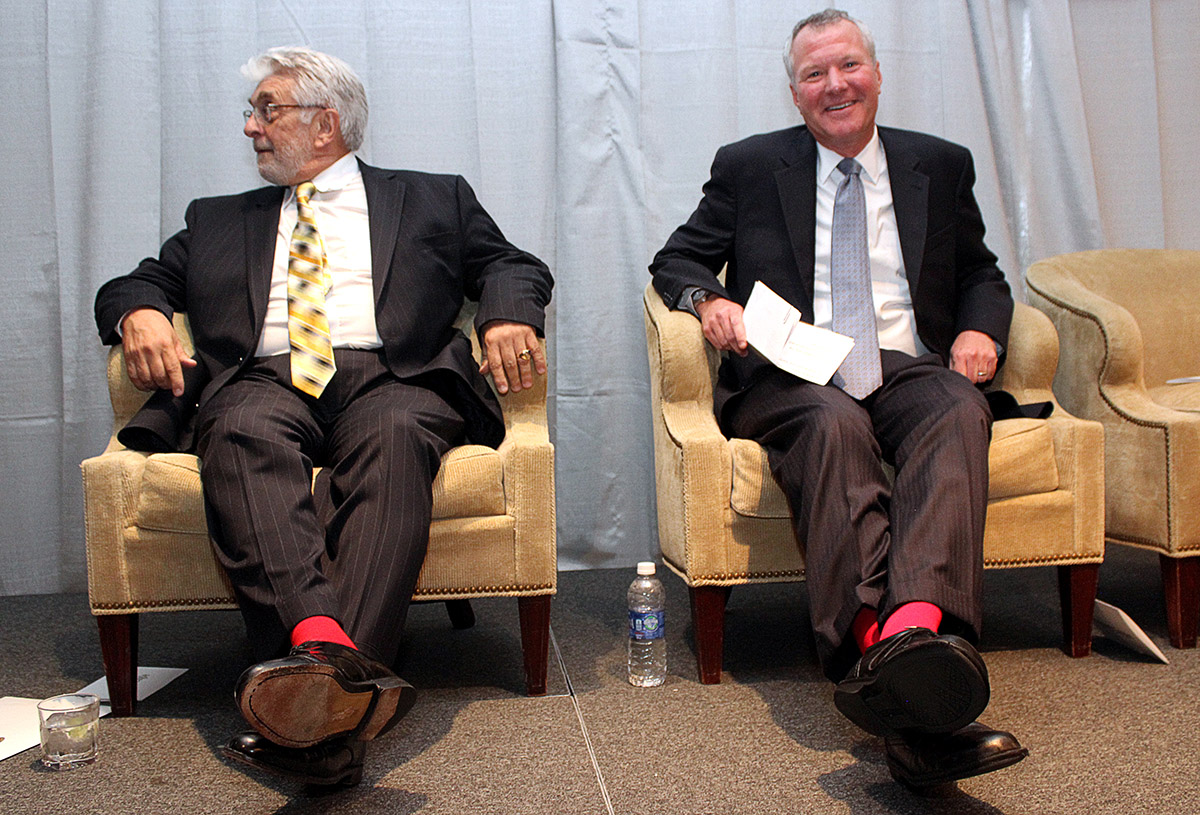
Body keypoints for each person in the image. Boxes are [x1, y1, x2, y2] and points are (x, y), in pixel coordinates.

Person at [94, 46, 552, 788]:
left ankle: (316, 703)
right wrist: (141, 309)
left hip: (392, 373)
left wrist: (504, 314)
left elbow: (512, 265)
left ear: (326, 123)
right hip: (263, 377)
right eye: (252, 112)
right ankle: (330, 663)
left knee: (398, 436)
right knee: (237, 430)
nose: (250, 127)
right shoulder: (217, 220)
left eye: (266, 109)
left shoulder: (434, 197)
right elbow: (136, 279)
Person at [649, 10, 1027, 788]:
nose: (835, 85)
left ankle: (903, 635)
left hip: (903, 361)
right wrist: (704, 299)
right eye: (815, 74)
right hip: (793, 372)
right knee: (831, 425)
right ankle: (896, 654)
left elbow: (981, 272)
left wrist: (982, 329)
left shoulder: (939, 163)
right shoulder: (750, 166)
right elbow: (679, 255)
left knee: (960, 407)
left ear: (877, 74)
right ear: (795, 94)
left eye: (847, 66)